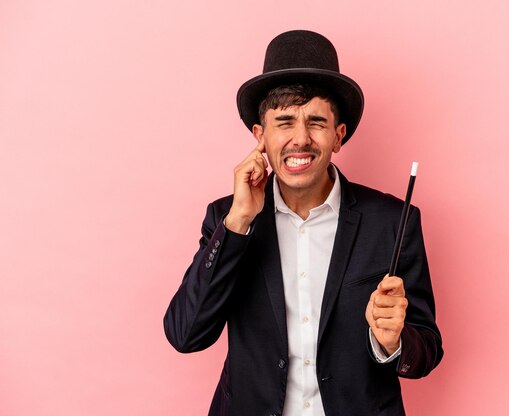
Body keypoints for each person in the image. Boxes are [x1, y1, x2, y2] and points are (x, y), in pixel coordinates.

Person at [164, 30, 443, 416]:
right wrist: (238, 224)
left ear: (338, 136)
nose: (300, 139)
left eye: (315, 121)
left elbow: (426, 349)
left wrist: (392, 342)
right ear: (260, 136)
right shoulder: (227, 218)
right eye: (284, 122)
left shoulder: (394, 222)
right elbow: (185, 334)